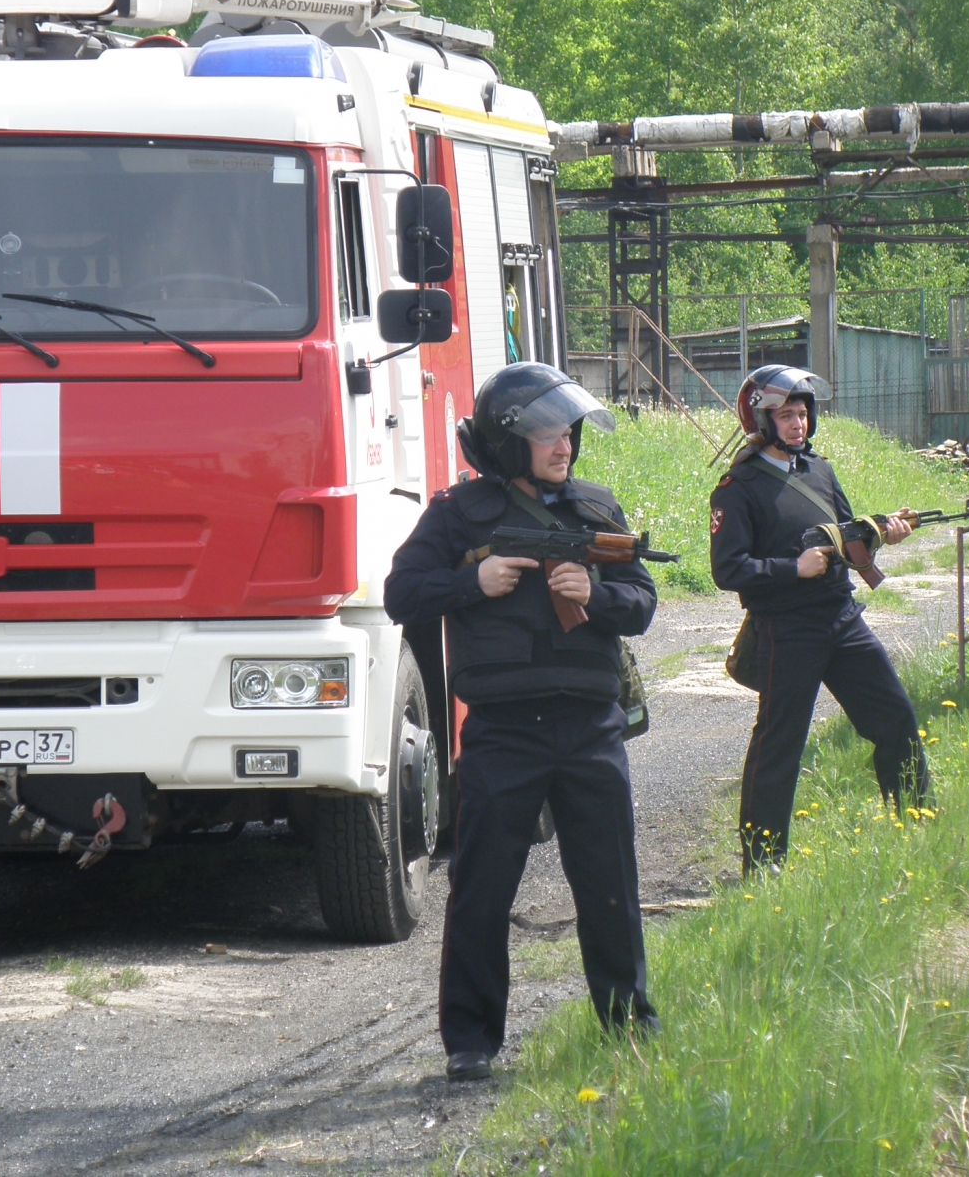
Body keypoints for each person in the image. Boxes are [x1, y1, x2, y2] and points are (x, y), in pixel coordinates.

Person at [384, 362, 659, 1083]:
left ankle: (629, 1021)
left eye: (566, 430)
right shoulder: (457, 514)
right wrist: (470, 583)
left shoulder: (598, 508)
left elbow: (643, 601)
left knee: (609, 882)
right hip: (505, 730)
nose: (562, 443)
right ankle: (470, 1042)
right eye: (544, 432)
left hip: (591, 724)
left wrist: (595, 594)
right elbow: (401, 592)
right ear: (508, 442)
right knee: (481, 887)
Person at [709, 364, 928, 872]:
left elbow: (849, 540)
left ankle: (917, 824)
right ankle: (763, 867)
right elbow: (728, 569)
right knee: (779, 747)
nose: (798, 423)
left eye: (803, 412)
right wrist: (792, 568)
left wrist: (882, 534)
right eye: (785, 415)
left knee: (896, 719)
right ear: (762, 419)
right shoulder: (737, 488)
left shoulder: (820, 471)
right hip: (786, 629)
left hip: (842, 618)